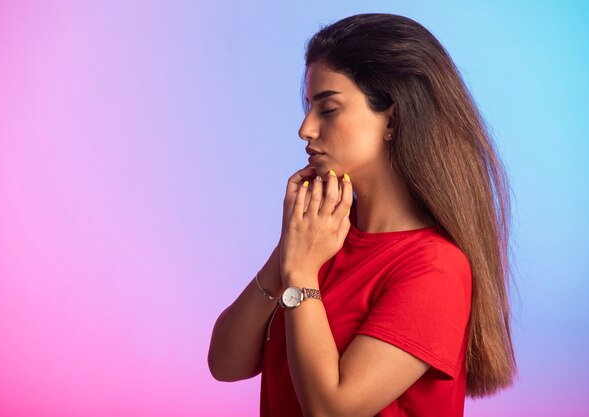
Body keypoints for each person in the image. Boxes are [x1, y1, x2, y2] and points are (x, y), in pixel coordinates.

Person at [208, 13, 517, 417]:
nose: (305, 129)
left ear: (392, 117)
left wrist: (300, 274)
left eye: (328, 109)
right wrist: (288, 251)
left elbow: (332, 409)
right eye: (308, 107)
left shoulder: (435, 268)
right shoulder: (323, 239)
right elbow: (225, 364)